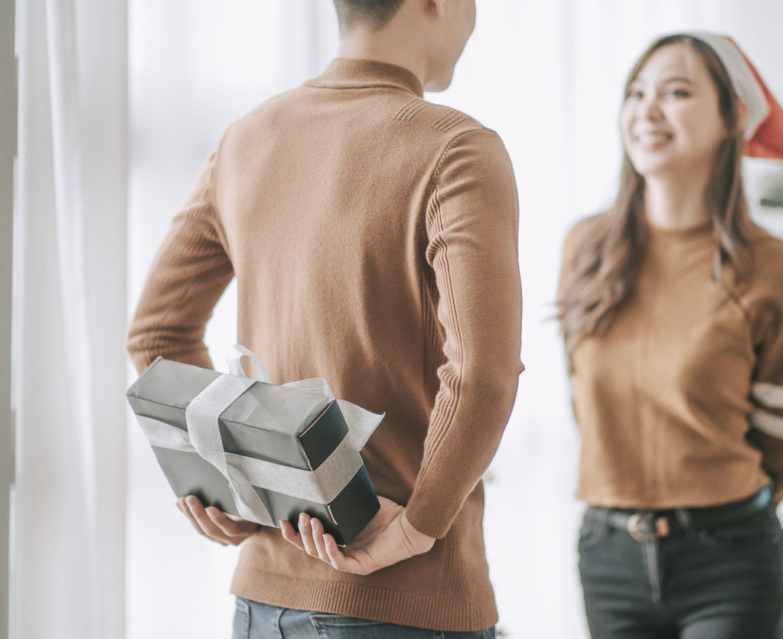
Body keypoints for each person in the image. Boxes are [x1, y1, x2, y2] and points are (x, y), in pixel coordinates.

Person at [126, 0, 523, 637]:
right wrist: (416, 528)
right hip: (404, 604)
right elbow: (482, 373)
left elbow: (156, 335)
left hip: (261, 603)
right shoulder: (456, 147)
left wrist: (228, 481)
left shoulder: (248, 138)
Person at [557, 32, 783, 639]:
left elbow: (777, 434)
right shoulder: (585, 248)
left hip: (729, 555)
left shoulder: (779, 269)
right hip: (607, 554)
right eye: (637, 92)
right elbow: (583, 401)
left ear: (734, 116)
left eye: (676, 92)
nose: (648, 111)